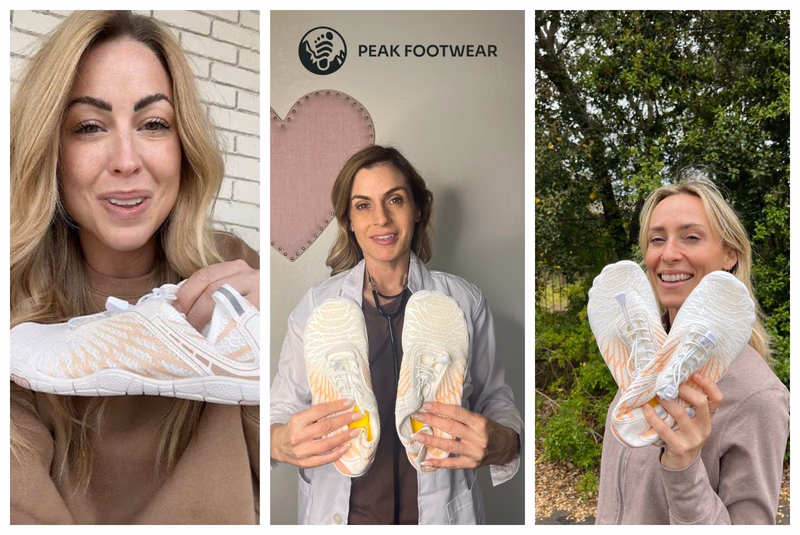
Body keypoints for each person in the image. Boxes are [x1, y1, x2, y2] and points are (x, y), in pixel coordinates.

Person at [10, 11, 260, 524]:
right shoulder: (16, 304)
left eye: (153, 124)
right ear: (50, 149)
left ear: (183, 143)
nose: (126, 160)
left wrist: (276, 337)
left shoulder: (237, 268)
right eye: (89, 127)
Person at [270, 145, 523, 524]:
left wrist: (504, 443)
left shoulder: (463, 303)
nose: (381, 219)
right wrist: (278, 442)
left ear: (418, 209)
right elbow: (279, 410)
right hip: (343, 515)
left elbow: (496, 399)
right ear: (349, 221)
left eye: (395, 199)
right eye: (363, 205)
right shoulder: (316, 309)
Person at [595, 174, 789, 524]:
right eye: (657, 239)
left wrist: (683, 467)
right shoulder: (642, 360)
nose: (668, 254)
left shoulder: (758, 396)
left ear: (730, 254)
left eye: (691, 237)